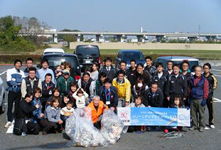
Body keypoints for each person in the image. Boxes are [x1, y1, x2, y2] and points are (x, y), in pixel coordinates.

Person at [5, 59, 25, 128]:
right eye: (17, 63)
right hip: (12, 91)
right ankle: (9, 120)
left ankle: (15, 119)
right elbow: (9, 81)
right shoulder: (9, 71)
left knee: (17, 106)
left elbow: (23, 81)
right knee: (10, 106)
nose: (18, 65)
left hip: (19, 91)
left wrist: (15, 82)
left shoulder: (22, 72)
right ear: (14, 64)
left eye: (19, 64)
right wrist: (18, 83)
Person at [189, 66, 209, 132]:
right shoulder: (191, 78)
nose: (197, 72)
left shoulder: (204, 80)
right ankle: (194, 125)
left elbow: (206, 90)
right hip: (193, 98)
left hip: (200, 98)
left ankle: (202, 126)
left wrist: (205, 98)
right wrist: (189, 96)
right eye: (196, 71)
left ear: (201, 71)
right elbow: (189, 88)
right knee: (193, 114)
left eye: (199, 71)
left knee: (201, 114)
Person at [203, 63, 218, 129]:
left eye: (207, 68)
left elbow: (215, 85)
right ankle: (201, 122)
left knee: (210, 109)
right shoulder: (202, 76)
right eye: (204, 68)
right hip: (202, 95)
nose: (205, 69)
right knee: (201, 109)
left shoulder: (212, 76)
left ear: (209, 69)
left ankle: (211, 122)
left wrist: (211, 90)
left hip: (209, 95)